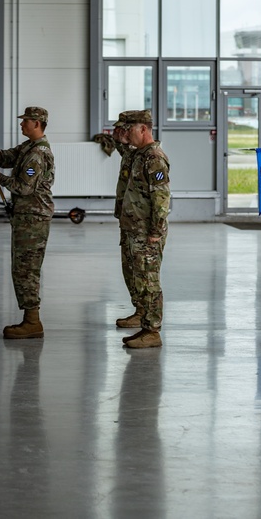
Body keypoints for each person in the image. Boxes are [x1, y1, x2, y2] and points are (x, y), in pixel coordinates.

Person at [0, 106, 55, 339]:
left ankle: (32, 322)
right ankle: (30, 318)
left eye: (25, 121)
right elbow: (5, 157)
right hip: (26, 216)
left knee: (26, 269)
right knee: (21, 268)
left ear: (37, 124)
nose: (21, 124)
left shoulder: (38, 154)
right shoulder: (28, 147)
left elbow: (24, 187)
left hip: (33, 217)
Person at [119, 110, 170, 349]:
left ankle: (153, 331)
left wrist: (155, 231)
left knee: (149, 280)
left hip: (146, 231)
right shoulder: (139, 154)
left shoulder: (154, 158)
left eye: (130, 129)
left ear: (144, 129)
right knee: (138, 277)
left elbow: (161, 198)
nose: (126, 133)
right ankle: (144, 322)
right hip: (133, 227)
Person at [112, 112, 142, 328]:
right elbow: (121, 146)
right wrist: (116, 137)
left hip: (140, 223)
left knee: (142, 271)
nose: (124, 133)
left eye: (126, 129)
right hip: (128, 219)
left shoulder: (146, 155)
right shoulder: (130, 154)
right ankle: (139, 309)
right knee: (129, 268)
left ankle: (144, 313)